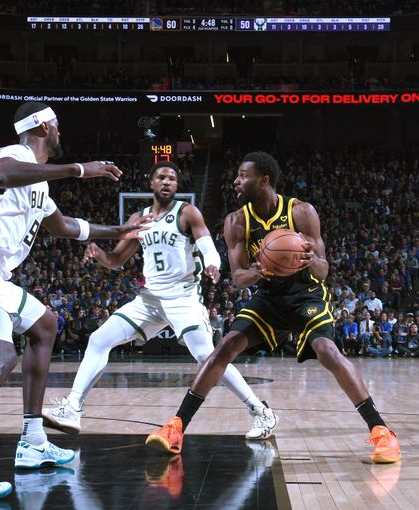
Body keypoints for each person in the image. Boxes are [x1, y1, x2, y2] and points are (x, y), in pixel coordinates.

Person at [0, 102, 148, 502]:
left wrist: (120, 231)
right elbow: (5, 174)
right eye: (56, 125)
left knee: (46, 324)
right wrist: (80, 169)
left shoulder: (38, 187)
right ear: (43, 125)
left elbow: (63, 227)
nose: (60, 132)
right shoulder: (12, 157)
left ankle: (33, 441)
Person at [146, 152, 400, 464]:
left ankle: (382, 432)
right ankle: (176, 428)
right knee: (224, 347)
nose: (236, 181)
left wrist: (311, 260)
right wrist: (254, 273)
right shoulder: (236, 221)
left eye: (243, 175)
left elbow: (323, 271)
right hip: (268, 297)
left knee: (326, 350)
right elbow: (238, 277)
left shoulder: (301, 212)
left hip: (306, 294)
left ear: (264, 180)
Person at [43, 162, 277, 440]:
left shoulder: (187, 212)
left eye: (173, 179)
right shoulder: (139, 218)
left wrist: (212, 263)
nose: (167, 182)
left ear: (177, 186)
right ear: (151, 182)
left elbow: (205, 243)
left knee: (207, 356)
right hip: (149, 300)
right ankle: (72, 408)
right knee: (98, 339)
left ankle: (259, 410)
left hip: (183, 298)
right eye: (161, 177)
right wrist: (97, 253)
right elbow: (117, 259)